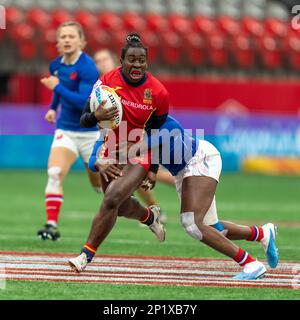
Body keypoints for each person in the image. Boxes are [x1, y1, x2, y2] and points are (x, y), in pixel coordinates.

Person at [70, 115, 279, 280]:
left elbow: (171, 132)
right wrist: (102, 161)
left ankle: (251, 264)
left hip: (199, 159)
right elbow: (94, 159)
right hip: (182, 169)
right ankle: (262, 233)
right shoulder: (113, 130)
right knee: (211, 227)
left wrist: (143, 166)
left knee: (192, 224)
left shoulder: (145, 117)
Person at [68, 33, 169, 271]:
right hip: (110, 150)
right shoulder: (106, 82)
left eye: (141, 61)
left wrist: (153, 169)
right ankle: (149, 217)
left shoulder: (158, 92)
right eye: (131, 60)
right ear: (121, 61)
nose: (137, 65)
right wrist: (96, 117)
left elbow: (158, 133)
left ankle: (85, 255)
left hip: (139, 153)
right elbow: (84, 120)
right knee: (120, 206)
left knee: (112, 198)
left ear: (147, 62)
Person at [93, 48, 174, 223]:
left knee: (149, 176)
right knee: (124, 187)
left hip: (137, 144)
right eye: (97, 61)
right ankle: (153, 212)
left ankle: (184, 185)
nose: (100, 64)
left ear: (116, 60)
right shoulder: (103, 85)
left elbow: (155, 120)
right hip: (115, 143)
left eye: (103, 59)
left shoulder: (132, 81)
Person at [37, 21, 100, 240]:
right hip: (66, 130)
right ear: (57, 42)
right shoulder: (56, 65)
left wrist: (56, 88)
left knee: (99, 185)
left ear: (82, 41)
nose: (66, 40)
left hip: (91, 133)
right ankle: (51, 225)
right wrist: (53, 108)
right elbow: (59, 88)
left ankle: (117, 203)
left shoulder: (88, 67)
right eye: (62, 36)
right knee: (54, 173)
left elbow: (84, 102)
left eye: (71, 36)